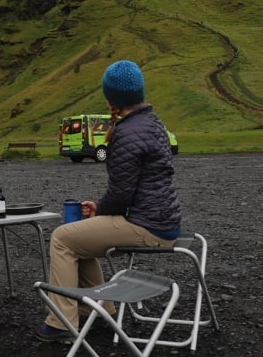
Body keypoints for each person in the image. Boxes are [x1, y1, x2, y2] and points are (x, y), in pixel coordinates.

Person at [35, 60, 182, 343]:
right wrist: (100, 210)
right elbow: (130, 190)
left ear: (110, 97)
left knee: (63, 238)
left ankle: (62, 322)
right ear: (139, 91)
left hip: (147, 226)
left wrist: (102, 208)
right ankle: (103, 310)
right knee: (80, 237)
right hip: (164, 220)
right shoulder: (153, 122)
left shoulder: (126, 132)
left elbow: (121, 194)